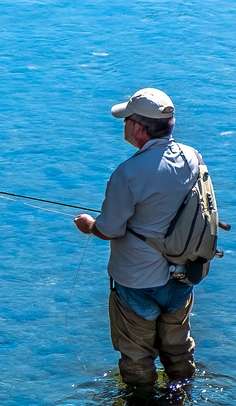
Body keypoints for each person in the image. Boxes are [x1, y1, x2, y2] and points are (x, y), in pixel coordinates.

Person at [72, 88, 203, 390]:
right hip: (182, 274)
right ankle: (180, 397)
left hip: (137, 282)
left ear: (138, 128)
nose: (124, 125)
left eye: (127, 120)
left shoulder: (128, 173)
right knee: (178, 346)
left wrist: (88, 225)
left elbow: (109, 230)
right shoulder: (193, 158)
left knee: (137, 356)